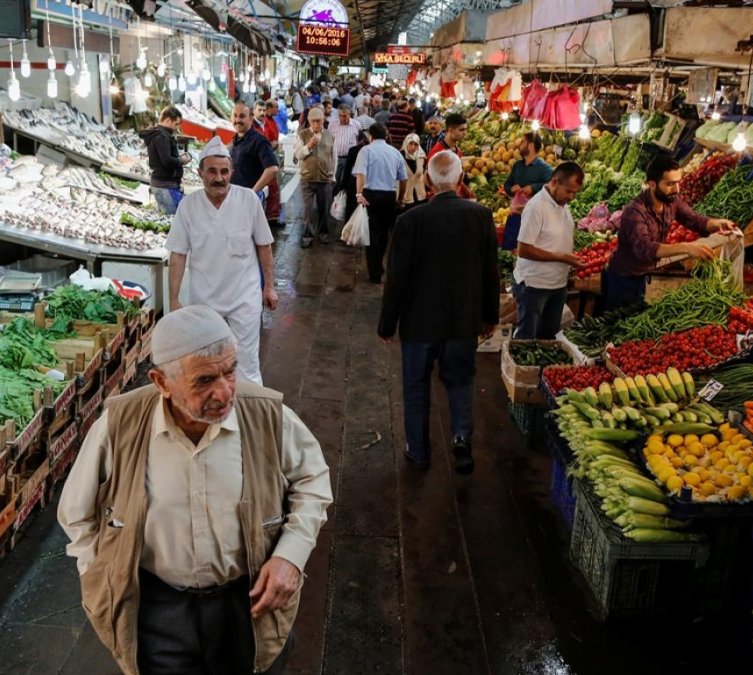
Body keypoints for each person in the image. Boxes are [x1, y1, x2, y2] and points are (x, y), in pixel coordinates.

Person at [59, 305, 332, 675]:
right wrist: (100, 575)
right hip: (155, 608)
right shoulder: (120, 425)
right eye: (204, 380)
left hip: (247, 600)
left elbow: (312, 480)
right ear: (161, 382)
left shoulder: (266, 415)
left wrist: (291, 555)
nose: (224, 392)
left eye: (230, 371)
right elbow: (76, 513)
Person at [378, 151, 499, 473]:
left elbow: (397, 278)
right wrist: (491, 316)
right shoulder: (481, 216)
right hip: (463, 320)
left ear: (428, 180)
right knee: (460, 380)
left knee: (416, 386)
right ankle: (460, 435)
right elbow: (491, 272)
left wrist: (387, 323)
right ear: (461, 179)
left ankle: (418, 451)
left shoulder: (409, 221)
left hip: (419, 323)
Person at [167, 137, 278, 385]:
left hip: (244, 296)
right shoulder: (188, 206)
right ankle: (214, 404)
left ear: (232, 172)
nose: (219, 178)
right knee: (208, 361)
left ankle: (249, 405)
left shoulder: (248, 200)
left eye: (224, 172)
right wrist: (173, 299)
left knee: (247, 362)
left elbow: (264, 245)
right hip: (205, 299)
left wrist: (269, 287)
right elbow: (178, 255)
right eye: (212, 171)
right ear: (200, 173)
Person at [604, 157, 736, 310]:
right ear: (652, 184)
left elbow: (693, 219)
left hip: (645, 273)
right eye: (670, 184)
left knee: (636, 314)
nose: (677, 189)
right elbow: (644, 248)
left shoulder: (672, 201)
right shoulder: (635, 211)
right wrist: (687, 248)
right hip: (622, 278)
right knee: (619, 319)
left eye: (678, 182)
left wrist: (716, 223)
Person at [510, 162, 587, 339]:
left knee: (549, 341)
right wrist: (562, 257)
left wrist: (570, 259)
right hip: (534, 287)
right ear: (554, 182)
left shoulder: (562, 204)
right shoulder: (536, 207)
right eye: (569, 191)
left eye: (575, 192)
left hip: (557, 286)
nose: (572, 197)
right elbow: (524, 250)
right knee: (527, 341)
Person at [353, 123, 407, 284]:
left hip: (371, 195)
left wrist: (359, 194)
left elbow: (360, 174)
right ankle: (379, 266)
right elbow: (403, 179)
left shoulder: (366, 151)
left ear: (371, 136)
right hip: (389, 196)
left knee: (371, 233)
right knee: (384, 233)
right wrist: (400, 198)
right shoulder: (395, 152)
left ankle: (375, 271)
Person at [501, 132, 553, 250]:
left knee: (526, 249)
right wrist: (511, 189)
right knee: (509, 247)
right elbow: (507, 185)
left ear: (531, 145)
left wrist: (533, 188)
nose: (520, 144)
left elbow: (552, 186)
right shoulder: (517, 165)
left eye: (523, 141)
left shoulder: (544, 168)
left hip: (533, 217)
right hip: (515, 214)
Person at [293, 108, 335, 248]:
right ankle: (307, 236)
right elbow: (298, 155)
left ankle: (323, 234)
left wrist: (333, 176)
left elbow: (333, 157)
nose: (317, 124)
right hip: (307, 178)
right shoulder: (302, 135)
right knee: (308, 210)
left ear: (323, 121)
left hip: (325, 179)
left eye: (319, 121)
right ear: (309, 121)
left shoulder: (330, 135)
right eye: (314, 121)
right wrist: (309, 146)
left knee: (324, 209)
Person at [140, 107, 193, 215]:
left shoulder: (159, 134)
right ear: (168, 120)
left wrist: (178, 158)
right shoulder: (162, 137)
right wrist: (181, 160)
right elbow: (167, 161)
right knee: (172, 219)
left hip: (164, 185)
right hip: (164, 186)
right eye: (176, 124)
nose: (177, 128)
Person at [229, 103, 279, 207]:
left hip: (249, 201)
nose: (237, 120)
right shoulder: (235, 140)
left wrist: (253, 192)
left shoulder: (259, 141)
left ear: (251, 118)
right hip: (235, 197)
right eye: (235, 116)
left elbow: (272, 168)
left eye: (242, 116)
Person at [426, 114, 472, 199]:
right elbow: (429, 180)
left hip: (455, 198)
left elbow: (457, 178)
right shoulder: (437, 153)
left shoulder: (458, 151)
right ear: (450, 130)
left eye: (465, 129)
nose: (464, 133)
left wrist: (467, 191)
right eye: (461, 130)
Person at [256, 101, 283, 229]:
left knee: (273, 188)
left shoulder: (268, 122)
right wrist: (270, 145)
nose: (262, 112)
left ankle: (272, 217)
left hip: (269, 158)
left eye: (263, 110)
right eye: (259, 110)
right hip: (261, 162)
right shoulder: (255, 126)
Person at [340, 122, 372, 222]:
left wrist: (343, 185)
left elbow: (347, 169)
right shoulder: (371, 151)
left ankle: (349, 228)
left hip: (353, 183)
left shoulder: (353, 150)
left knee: (350, 209)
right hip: (368, 184)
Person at [329, 105, 362, 189]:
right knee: (334, 182)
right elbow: (329, 141)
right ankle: (334, 196)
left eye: (344, 116)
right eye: (340, 116)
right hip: (336, 158)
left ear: (349, 114)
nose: (342, 118)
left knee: (348, 182)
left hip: (350, 159)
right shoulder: (333, 124)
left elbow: (359, 141)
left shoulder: (356, 125)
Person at [400, 134, 428, 209]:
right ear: (406, 143)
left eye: (416, 144)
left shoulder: (421, 157)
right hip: (405, 197)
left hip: (420, 197)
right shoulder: (400, 157)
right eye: (411, 143)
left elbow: (424, 174)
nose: (413, 147)